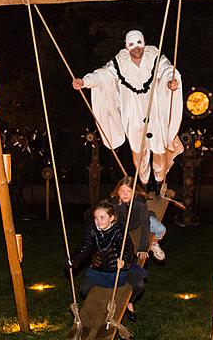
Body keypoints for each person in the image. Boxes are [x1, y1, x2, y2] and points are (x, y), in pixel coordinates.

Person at [72, 30, 183, 191]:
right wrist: (85, 81)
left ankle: (159, 181)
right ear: (126, 46)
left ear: (144, 43)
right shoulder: (120, 62)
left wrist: (172, 81)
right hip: (133, 113)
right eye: (132, 44)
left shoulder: (154, 56)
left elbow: (167, 70)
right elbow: (103, 75)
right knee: (139, 153)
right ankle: (144, 183)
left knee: (159, 149)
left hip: (155, 111)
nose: (136, 48)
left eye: (139, 43)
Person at [67, 200, 146, 321]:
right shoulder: (92, 231)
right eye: (96, 218)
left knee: (139, 285)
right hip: (100, 269)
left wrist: (124, 261)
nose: (98, 221)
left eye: (102, 217)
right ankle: (100, 306)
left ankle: (130, 303)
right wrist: (74, 260)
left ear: (112, 218)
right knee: (84, 290)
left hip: (119, 268)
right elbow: (85, 246)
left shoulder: (119, 230)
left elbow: (127, 248)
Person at [110, 176, 167, 262]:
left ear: (135, 192)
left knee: (161, 229)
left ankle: (154, 243)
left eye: (129, 191)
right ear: (118, 191)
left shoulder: (139, 202)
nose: (125, 194)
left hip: (141, 221)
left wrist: (143, 247)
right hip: (126, 227)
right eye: (122, 191)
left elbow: (145, 224)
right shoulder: (115, 203)